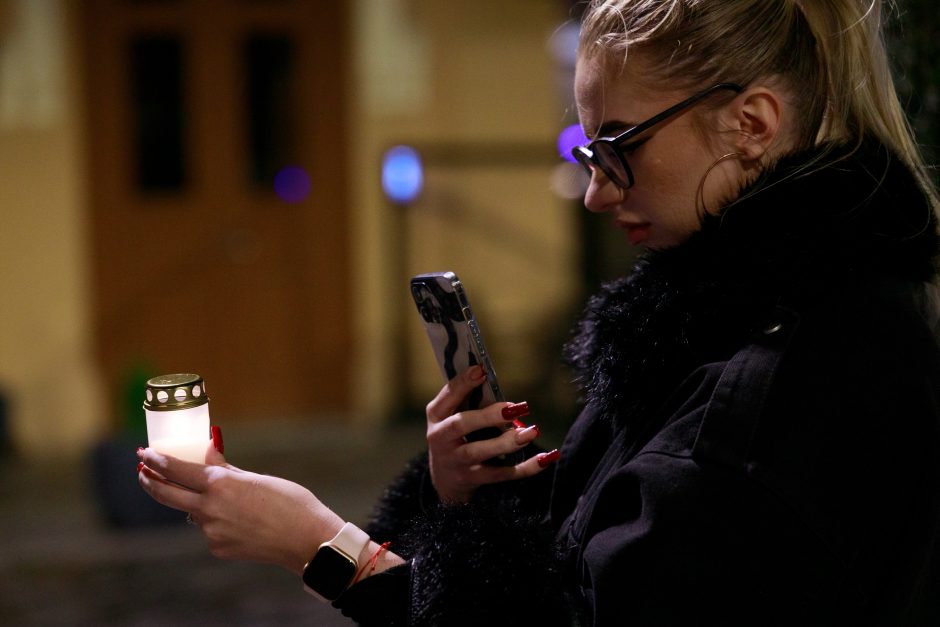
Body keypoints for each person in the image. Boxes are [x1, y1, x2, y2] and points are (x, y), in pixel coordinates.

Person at [138, 0, 940, 624]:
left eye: (620, 146)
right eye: (587, 152)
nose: (596, 190)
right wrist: (469, 494)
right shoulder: (710, 323)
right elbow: (578, 568)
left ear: (751, 125)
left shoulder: (788, 379)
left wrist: (320, 544)